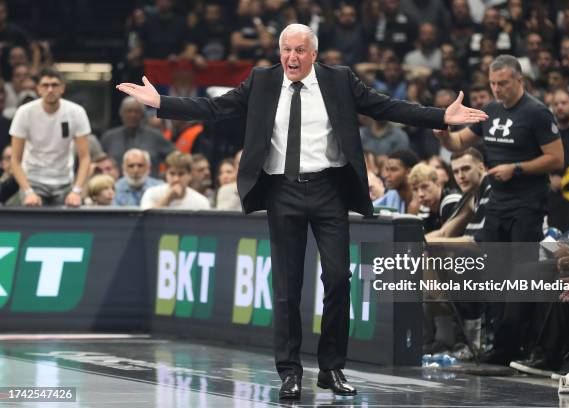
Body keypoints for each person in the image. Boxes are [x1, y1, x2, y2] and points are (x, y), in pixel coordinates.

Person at [117, 23, 487, 399]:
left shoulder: (339, 80)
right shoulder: (262, 81)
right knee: (287, 289)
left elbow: (389, 107)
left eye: (299, 51)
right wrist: (160, 102)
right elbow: (215, 107)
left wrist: (442, 117)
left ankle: (331, 368)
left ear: (313, 53)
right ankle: (290, 371)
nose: (291, 58)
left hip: (329, 191)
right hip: (283, 192)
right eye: (285, 50)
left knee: (339, 279)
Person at [433, 54, 564, 243]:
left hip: (527, 201)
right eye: (492, 83)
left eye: (502, 83)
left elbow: (557, 159)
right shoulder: (491, 110)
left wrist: (516, 168)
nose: (496, 89)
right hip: (497, 199)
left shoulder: (537, 112)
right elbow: (460, 141)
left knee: (521, 264)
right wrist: (444, 135)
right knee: (492, 263)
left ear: (520, 80)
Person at [10, 68, 91, 207]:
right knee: (32, 221)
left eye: (54, 85)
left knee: (67, 224)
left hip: (64, 181)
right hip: (33, 180)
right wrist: (28, 192)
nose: (50, 89)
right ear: (38, 89)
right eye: (45, 85)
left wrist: (76, 191)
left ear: (62, 88)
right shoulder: (24, 112)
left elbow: (85, 158)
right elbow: (15, 160)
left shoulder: (76, 112)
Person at [101, 96, 175, 178]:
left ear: (143, 115)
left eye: (137, 111)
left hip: (150, 187)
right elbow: (99, 163)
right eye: (129, 111)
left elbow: (175, 158)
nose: (133, 115)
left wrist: (166, 177)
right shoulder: (109, 137)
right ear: (121, 113)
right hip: (115, 187)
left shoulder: (155, 136)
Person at [140, 151, 210, 210]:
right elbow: (147, 221)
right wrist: (168, 199)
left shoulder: (201, 202)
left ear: (190, 175)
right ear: (166, 174)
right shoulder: (152, 193)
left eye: (181, 174)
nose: (176, 179)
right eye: (172, 174)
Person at [409, 163, 462, 233]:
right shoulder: (424, 208)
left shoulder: (452, 200)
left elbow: (449, 238)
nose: (420, 194)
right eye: (415, 189)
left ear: (438, 183)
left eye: (425, 187)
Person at [373, 149, 420, 214]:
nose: (386, 175)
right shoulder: (391, 194)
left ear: (409, 172)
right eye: (387, 169)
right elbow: (369, 209)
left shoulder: (423, 198)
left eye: (393, 170)